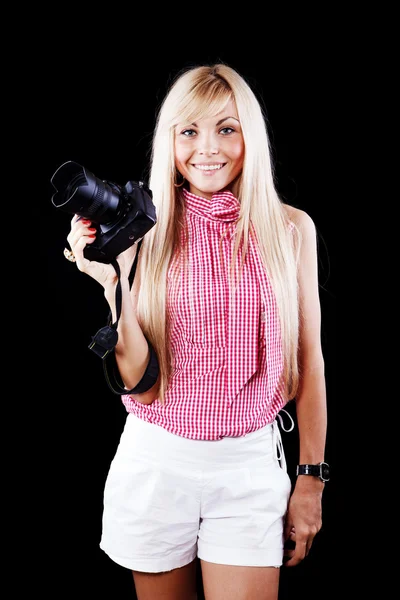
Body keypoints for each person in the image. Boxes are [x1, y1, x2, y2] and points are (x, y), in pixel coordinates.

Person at [65, 63, 329, 600]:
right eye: (189, 131)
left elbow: (310, 360)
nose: (207, 149)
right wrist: (114, 283)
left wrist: (311, 479)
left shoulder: (291, 230)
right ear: (172, 141)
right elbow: (141, 380)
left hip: (249, 466)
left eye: (226, 129)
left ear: (249, 136)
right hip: (157, 463)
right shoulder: (147, 229)